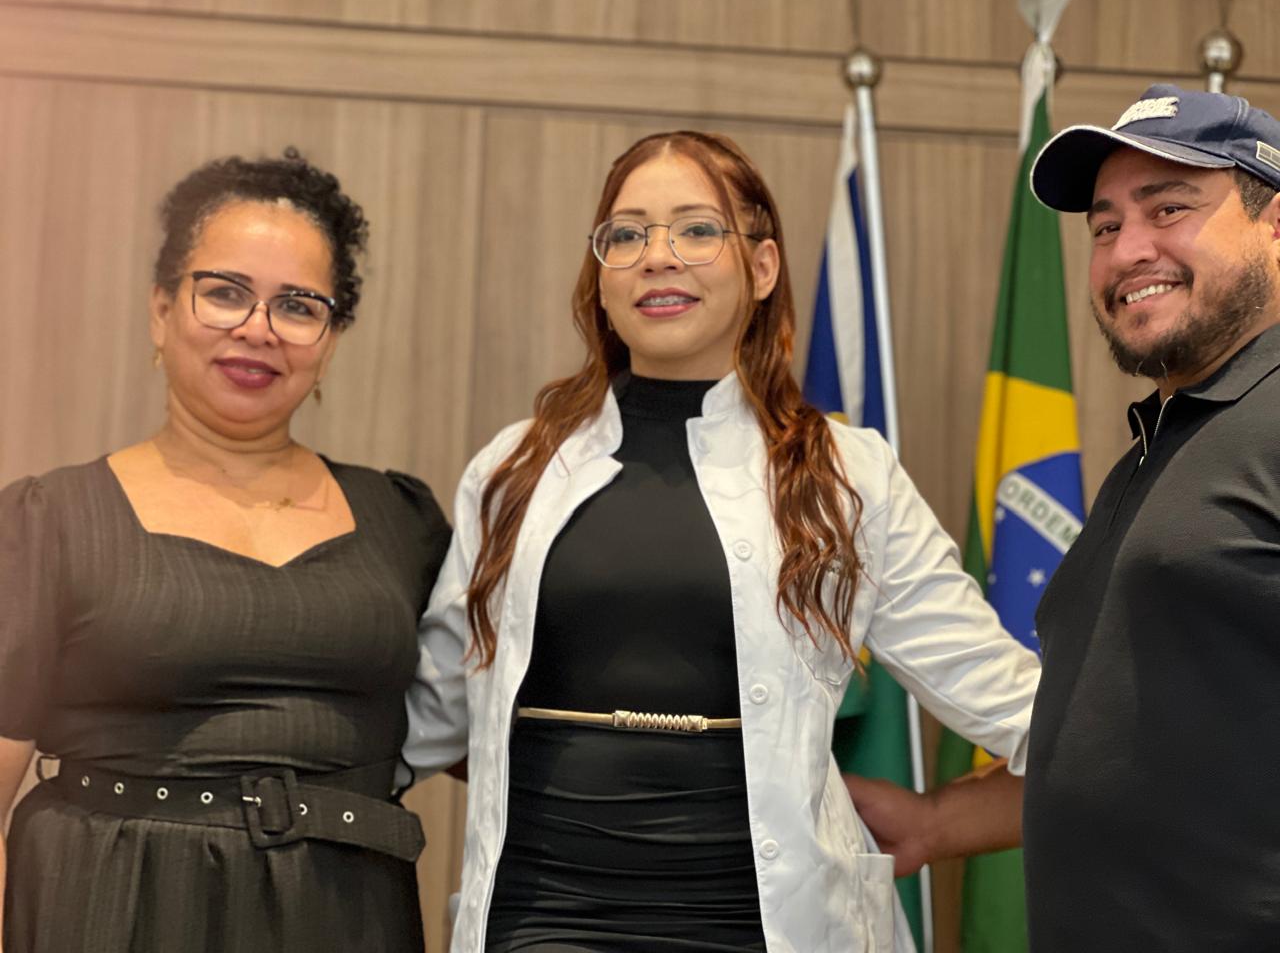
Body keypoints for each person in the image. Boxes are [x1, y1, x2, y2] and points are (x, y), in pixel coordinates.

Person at [404, 130, 1041, 953]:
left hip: (766, 926)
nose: (657, 257)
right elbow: (435, 712)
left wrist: (949, 816)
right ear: (601, 276)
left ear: (763, 266)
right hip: (545, 916)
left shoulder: (847, 477)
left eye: (697, 230)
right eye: (626, 235)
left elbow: (1004, 695)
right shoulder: (513, 468)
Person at [0, 152, 451, 952]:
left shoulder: (401, 522)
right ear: (161, 309)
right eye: (225, 292)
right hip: (108, 910)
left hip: (345, 919)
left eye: (299, 306)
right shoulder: (50, 521)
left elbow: (500, 729)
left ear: (331, 340)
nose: (258, 328)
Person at [1019, 83, 1280, 950]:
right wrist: (936, 821)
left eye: (1170, 208)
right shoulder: (1156, 448)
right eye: (1105, 227)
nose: (1129, 250)